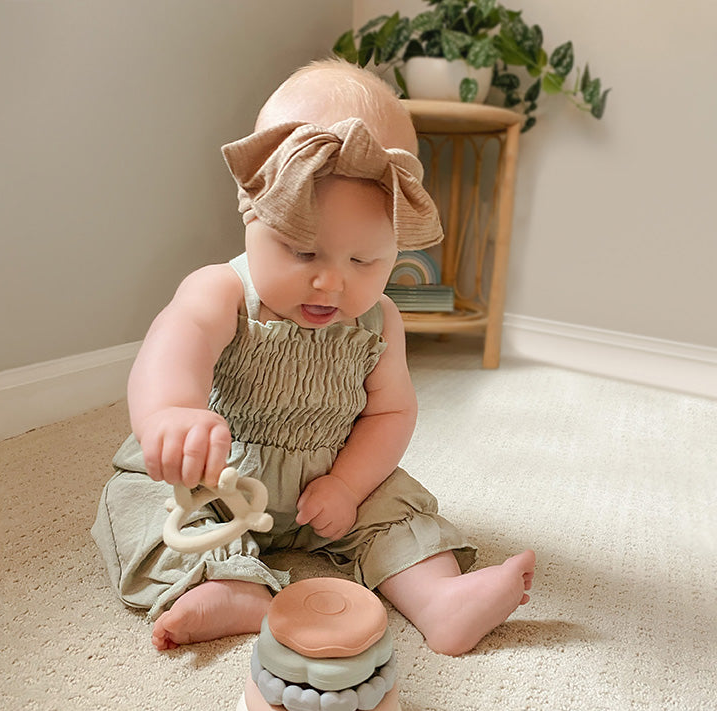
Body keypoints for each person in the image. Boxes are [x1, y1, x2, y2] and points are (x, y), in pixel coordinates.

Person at [91, 59, 535, 656]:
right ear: (252, 213)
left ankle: (439, 599)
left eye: (364, 262)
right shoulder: (221, 291)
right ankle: (224, 584)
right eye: (303, 251)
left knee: (396, 506)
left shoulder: (381, 323)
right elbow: (173, 345)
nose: (331, 283)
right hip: (217, 477)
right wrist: (170, 413)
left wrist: (349, 486)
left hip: (326, 482)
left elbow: (391, 415)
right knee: (143, 499)